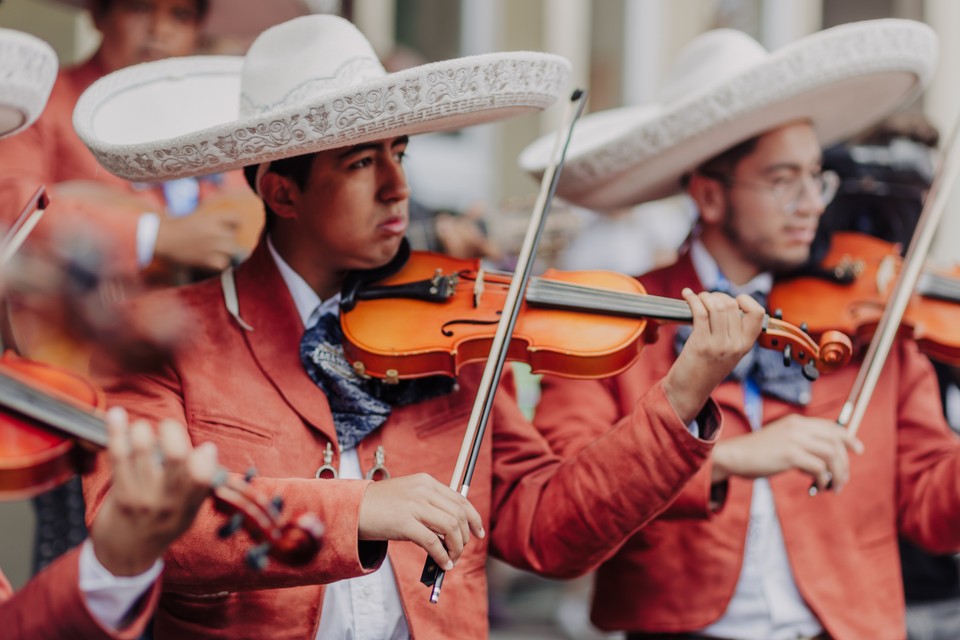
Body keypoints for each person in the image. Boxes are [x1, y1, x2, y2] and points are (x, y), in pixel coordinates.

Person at [72, 15, 768, 639]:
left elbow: (548, 531)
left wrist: (679, 401)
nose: (397, 186)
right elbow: (135, 525)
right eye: (359, 163)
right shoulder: (163, 336)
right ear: (281, 190)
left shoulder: (449, 332)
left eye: (398, 154)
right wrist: (360, 509)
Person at [524, 20, 953, 640]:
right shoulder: (614, 315)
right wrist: (724, 460)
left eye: (816, 176)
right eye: (783, 181)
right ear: (709, 196)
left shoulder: (866, 321)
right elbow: (565, 514)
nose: (813, 203)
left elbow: (932, 511)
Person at [0, 25, 218, 640]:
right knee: (73, 539)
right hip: (75, 380)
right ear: (101, 14)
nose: (159, 27)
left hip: (189, 377)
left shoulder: (204, 118)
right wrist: (159, 238)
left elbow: (239, 216)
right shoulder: (55, 104)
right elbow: (19, 203)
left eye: (179, 12)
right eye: (141, 7)